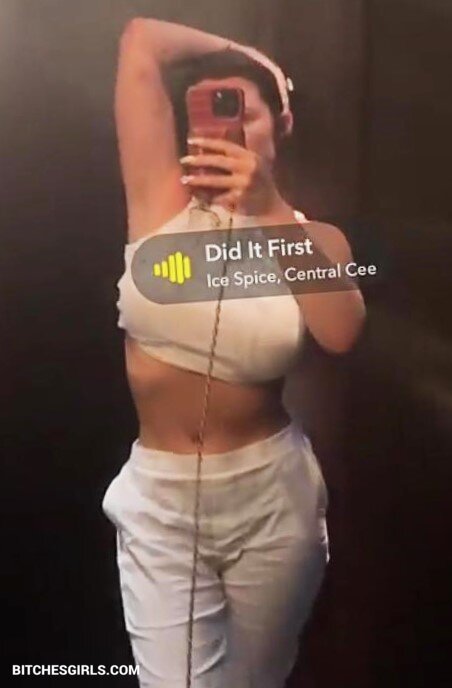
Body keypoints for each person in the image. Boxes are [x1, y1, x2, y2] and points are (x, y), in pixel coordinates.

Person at [102, 17, 366, 688]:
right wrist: (251, 58)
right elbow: (140, 40)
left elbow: (341, 331)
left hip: (272, 500)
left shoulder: (314, 240)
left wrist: (268, 206)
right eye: (209, 115)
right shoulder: (159, 205)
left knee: (256, 680)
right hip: (161, 502)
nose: (225, 130)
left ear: (281, 125)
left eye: (243, 113)